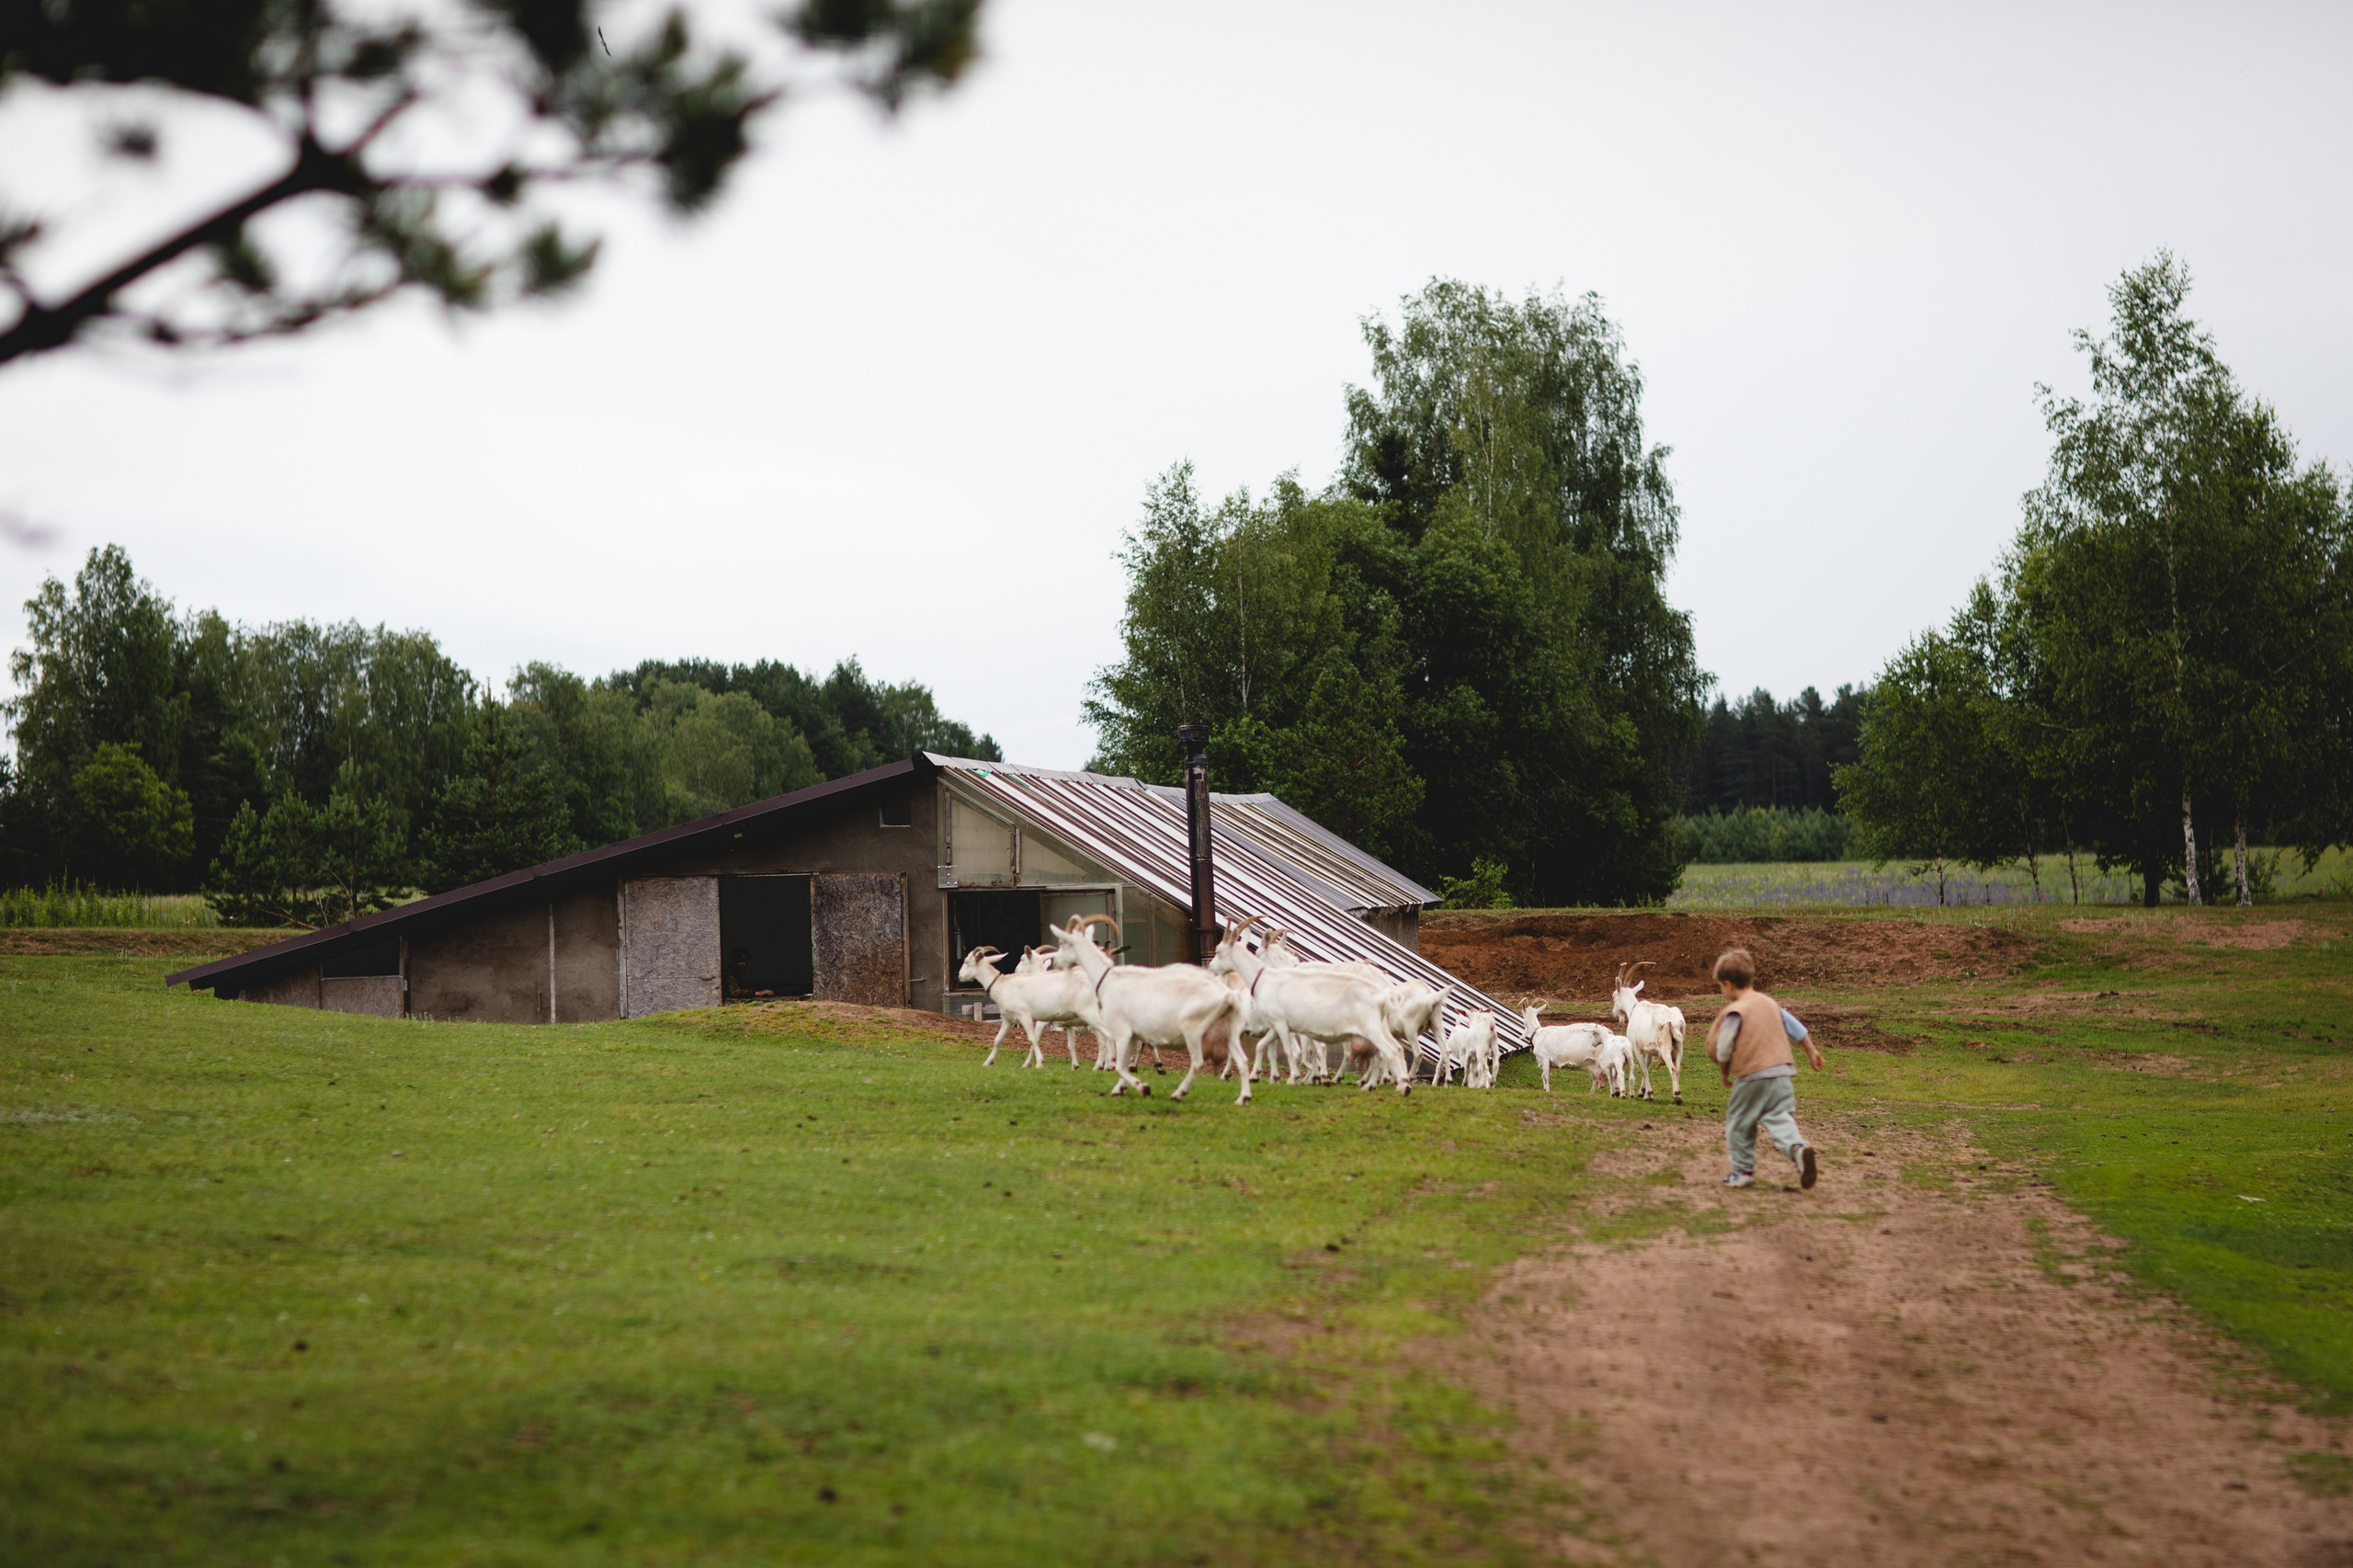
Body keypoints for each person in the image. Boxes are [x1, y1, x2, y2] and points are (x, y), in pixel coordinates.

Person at [1709, 947, 1824, 1189]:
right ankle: (1798, 1149)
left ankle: (1742, 1172)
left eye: (1721, 986)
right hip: (1782, 1073)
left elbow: (1724, 1047)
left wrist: (1723, 1070)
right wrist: (1811, 1051)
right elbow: (1797, 1028)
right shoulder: (1771, 1003)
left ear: (1728, 985)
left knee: (1739, 1121)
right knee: (1780, 1117)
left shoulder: (1735, 1011)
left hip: (1753, 1076)